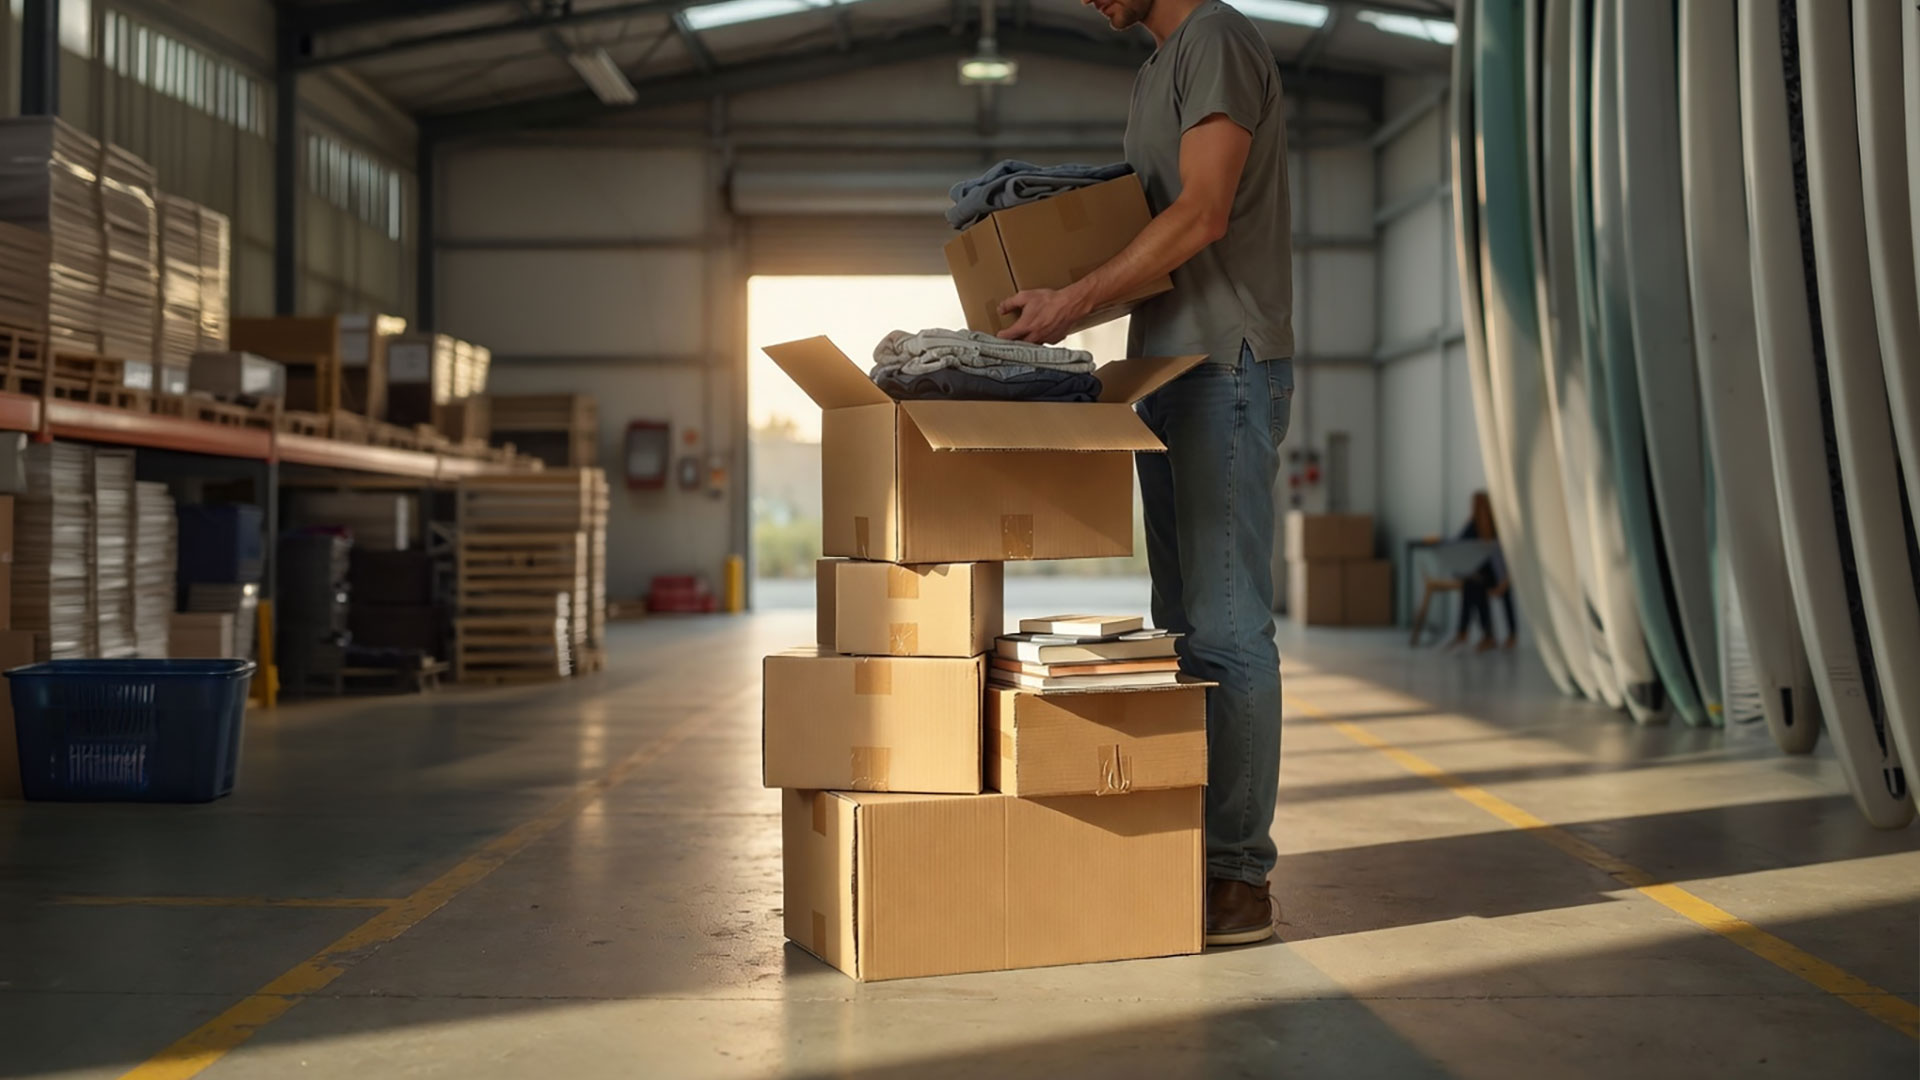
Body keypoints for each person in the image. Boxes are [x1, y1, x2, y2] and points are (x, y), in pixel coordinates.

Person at [997, 0, 1293, 946]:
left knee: (1228, 626)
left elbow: (1203, 214)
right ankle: (1200, 854)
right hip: (1166, 370)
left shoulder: (1215, 40)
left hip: (1223, 370)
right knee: (1187, 628)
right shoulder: (1153, 72)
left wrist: (1072, 299)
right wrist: (1055, 309)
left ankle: (1239, 878)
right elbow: (1146, 240)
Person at [1447, 491, 1516, 652]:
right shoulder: (1472, 526)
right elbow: (1458, 546)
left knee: (1475, 586)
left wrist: (1504, 582)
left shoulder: (1498, 527)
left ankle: (1473, 632)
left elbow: (1511, 559)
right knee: (1472, 585)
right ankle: (1483, 634)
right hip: (1484, 576)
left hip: (1501, 576)